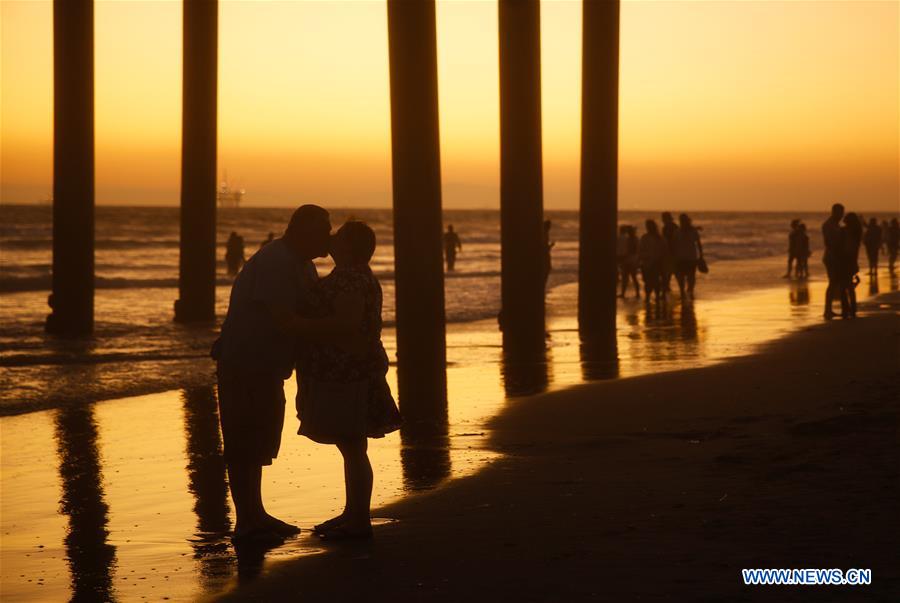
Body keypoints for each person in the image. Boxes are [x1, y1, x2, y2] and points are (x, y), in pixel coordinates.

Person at [212, 205, 332, 545]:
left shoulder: (301, 263)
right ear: (304, 232)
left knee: (260, 439)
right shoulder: (277, 262)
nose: (329, 237)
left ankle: (256, 514)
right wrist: (337, 332)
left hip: (266, 364)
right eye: (324, 231)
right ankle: (247, 520)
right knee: (243, 440)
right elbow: (285, 318)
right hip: (246, 361)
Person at [296, 221, 402, 540]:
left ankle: (357, 520)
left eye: (339, 237)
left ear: (349, 247)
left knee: (353, 445)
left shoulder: (350, 278)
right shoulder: (358, 275)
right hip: (357, 366)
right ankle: (353, 513)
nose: (331, 239)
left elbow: (346, 324)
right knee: (352, 445)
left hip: (349, 370)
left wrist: (295, 324)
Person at [821, 203, 845, 320]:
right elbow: (829, 243)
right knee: (832, 283)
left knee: (835, 283)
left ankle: (830, 309)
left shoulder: (836, 225)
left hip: (836, 257)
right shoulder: (828, 225)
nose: (842, 215)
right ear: (834, 212)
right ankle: (827, 310)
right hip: (831, 257)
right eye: (840, 213)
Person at [673, 213, 704, 300]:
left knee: (691, 277)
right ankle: (682, 292)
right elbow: (674, 245)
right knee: (681, 277)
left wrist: (701, 256)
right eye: (681, 220)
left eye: (683, 220)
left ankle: (690, 291)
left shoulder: (693, 231)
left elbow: (698, 244)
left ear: (687, 221)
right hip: (680, 258)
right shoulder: (677, 232)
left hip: (691, 258)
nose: (682, 222)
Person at [840, 212, 863, 318]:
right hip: (853, 259)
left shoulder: (846, 231)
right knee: (849, 286)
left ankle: (846, 309)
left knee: (843, 286)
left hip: (845, 259)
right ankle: (852, 309)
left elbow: (843, 246)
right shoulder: (857, 231)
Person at [639, 219, 667, 303]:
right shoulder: (648, 237)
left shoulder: (657, 238)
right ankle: (652, 297)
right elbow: (640, 250)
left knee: (652, 281)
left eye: (648, 226)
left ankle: (653, 297)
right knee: (650, 281)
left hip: (655, 262)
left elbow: (664, 251)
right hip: (649, 263)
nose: (647, 227)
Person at [616, 225, 640, 298]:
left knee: (626, 278)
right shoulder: (635, 239)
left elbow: (631, 250)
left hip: (628, 260)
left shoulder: (630, 239)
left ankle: (624, 293)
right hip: (632, 260)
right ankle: (636, 293)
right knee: (632, 277)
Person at [660, 212, 678, 291]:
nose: (662, 219)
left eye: (663, 218)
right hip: (671, 251)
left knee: (670, 270)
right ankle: (667, 285)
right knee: (671, 270)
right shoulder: (672, 226)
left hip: (671, 251)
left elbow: (668, 239)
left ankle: (666, 286)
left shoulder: (670, 227)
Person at [543, 219, 555, 289]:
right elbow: (544, 247)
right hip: (545, 255)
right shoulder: (545, 234)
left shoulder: (544, 233)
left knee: (546, 269)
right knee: (546, 269)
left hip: (545, 255)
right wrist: (551, 245)